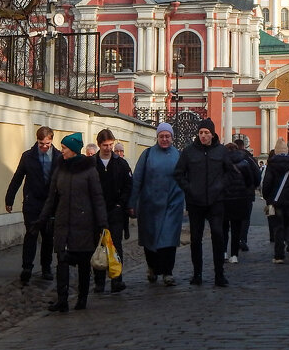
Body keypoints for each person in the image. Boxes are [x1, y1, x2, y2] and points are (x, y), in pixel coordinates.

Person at [36, 133, 108, 312]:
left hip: (84, 224)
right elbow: (51, 197)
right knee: (62, 261)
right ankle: (62, 299)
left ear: (74, 150)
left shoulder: (89, 170)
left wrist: (102, 224)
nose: (62, 151)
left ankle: (82, 298)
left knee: (83, 263)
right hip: (63, 222)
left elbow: (97, 197)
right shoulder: (60, 169)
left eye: (65, 148)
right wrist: (41, 219)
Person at [173, 117, 235, 287]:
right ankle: (197, 273)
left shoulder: (221, 151)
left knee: (218, 235)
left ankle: (219, 274)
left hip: (216, 201)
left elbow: (231, 173)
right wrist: (189, 188)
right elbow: (179, 173)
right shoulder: (189, 152)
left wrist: (221, 186)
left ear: (212, 134)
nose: (203, 136)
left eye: (206, 133)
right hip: (195, 202)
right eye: (200, 132)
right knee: (196, 239)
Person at [128, 122, 185, 286]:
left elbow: (185, 179)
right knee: (149, 239)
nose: (165, 139)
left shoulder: (178, 155)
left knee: (170, 239)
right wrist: (132, 202)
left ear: (172, 138)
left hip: (172, 205)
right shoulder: (147, 154)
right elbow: (137, 179)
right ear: (157, 137)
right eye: (162, 136)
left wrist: (185, 203)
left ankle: (168, 272)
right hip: (150, 205)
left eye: (167, 136)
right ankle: (152, 267)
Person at [4, 126, 60, 284]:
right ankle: (27, 267)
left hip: (50, 203)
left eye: (46, 144)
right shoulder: (28, 156)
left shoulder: (58, 157)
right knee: (31, 234)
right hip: (32, 202)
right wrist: (9, 198)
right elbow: (18, 177)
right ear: (37, 140)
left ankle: (46, 267)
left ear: (51, 141)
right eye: (41, 143)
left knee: (48, 236)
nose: (43, 147)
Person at [92, 128, 132, 294]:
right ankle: (99, 281)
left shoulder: (120, 164)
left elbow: (128, 185)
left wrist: (121, 204)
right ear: (99, 145)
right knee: (99, 245)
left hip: (116, 211)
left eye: (110, 144)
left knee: (115, 245)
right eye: (105, 145)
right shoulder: (92, 163)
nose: (108, 148)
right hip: (97, 211)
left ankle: (117, 279)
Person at [220, 141, 257, 263]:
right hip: (239, 199)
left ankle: (224, 252)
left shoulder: (221, 162)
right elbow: (250, 181)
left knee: (224, 228)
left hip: (224, 199)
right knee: (236, 228)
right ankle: (234, 255)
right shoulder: (244, 163)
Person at [234, 137, 262, 252]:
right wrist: (253, 186)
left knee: (233, 218)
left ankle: (234, 241)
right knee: (245, 217)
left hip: (231, 193)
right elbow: (257, 175)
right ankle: (242, 239)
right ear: (244, 146)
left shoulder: (227, 158)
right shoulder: (250, 158)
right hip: (247, 193)